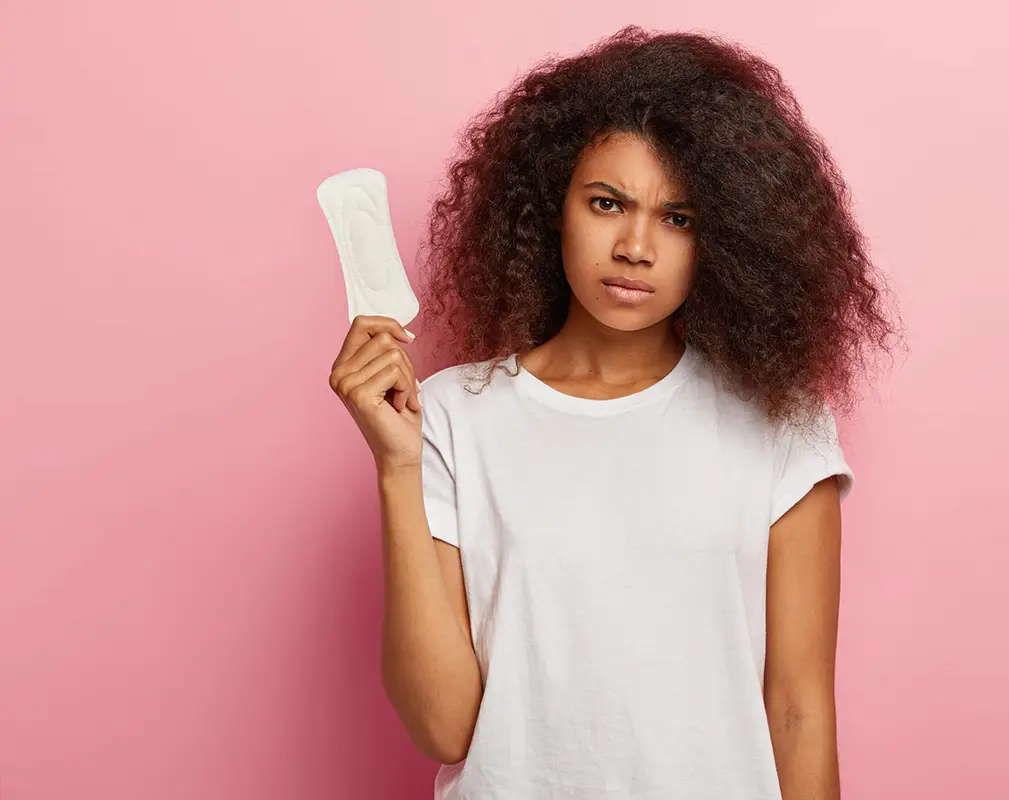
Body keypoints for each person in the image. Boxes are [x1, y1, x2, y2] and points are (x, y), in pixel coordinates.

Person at [328, 25, 897, 800]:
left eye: (679, 218)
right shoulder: (456, 418)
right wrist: (397, 464)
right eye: (607, 203)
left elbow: (798, 711)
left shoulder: (780, 424)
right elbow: (443, 727)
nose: (636, 246)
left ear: (727, 238)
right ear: (548, 206)